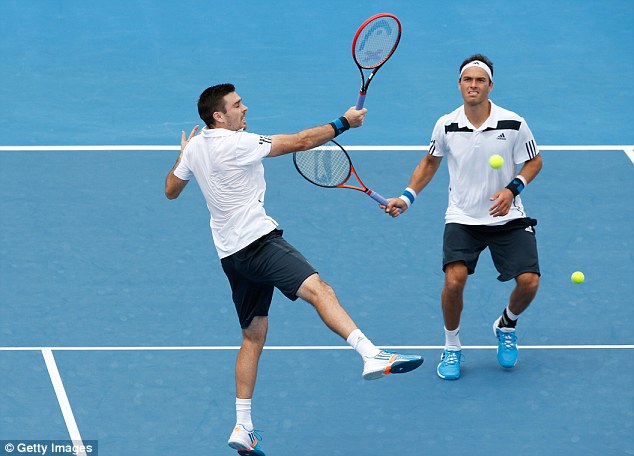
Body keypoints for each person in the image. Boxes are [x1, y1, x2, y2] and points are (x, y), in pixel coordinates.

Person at [165, 83, 423, 455]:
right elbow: (301, 141)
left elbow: (171, 190)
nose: (245, 108)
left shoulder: (198, 147)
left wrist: (181, 157)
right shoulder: (237, 143)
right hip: (259, 244)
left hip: (231, 258)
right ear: (218, 116)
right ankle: (370, 353)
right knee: (320, 289)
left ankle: (243, 426)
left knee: (252, 337)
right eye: (237, 105)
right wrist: (344, 123)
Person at [385, 54, 542, 380]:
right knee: (454, 281)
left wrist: (513, 189)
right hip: (462, 217)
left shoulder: (513, 122)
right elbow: (430, 162)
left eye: (480, 80)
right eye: (468, 80)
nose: (473, 85)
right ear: (459, 85)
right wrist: (406, 196)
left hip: (507, 216)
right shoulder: (446, 124)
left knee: (529, 282)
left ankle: (506, 324)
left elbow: (534, 161)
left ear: (490, 86)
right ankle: (452, 345)